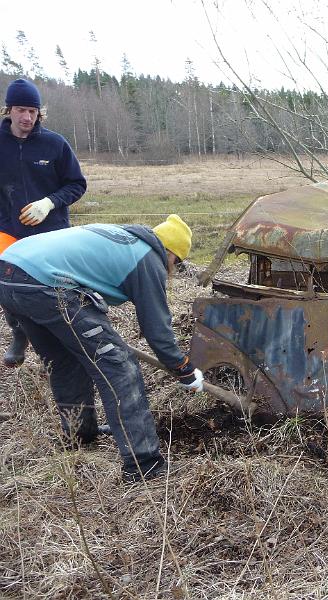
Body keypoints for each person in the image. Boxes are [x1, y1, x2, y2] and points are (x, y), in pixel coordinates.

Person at [0, 215, 203, 483]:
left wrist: (19, 335)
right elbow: (157, 329)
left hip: (8, 270)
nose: (172, 268)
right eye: (176, 262)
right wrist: (183, 368)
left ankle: (79, 435)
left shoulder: (122, 238)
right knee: (119, 367)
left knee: (64, 361)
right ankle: (144, 464)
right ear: (171, 253)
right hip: (47, 285)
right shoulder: (149, 259)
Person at [0, 78, 87, 367]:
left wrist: (49, 203)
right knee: (7, 287)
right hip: (7, 230)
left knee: (57, 286)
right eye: (21, 110)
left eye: (33, 112)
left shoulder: (55, 144)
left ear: (40, 114)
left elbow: (77, 184)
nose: (27, 117)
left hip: (51, 232)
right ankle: (19, 332)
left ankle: (68, 336)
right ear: (9, 110)